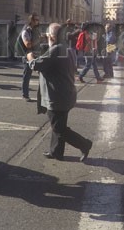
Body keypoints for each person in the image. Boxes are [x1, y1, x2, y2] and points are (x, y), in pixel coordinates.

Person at [27, 23, 92, 162]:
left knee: (59, 128)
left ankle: (84, 144)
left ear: (52, 36)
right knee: (59, 125)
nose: (47, 38)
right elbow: (51, 64)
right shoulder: (65, 47)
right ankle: (56, 151)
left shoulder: (56, 49)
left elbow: (37, 65)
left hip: (57, 97)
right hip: (65, 94)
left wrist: (30, 58)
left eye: (48, 35)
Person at [20, 13, 41, 101]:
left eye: (38, 20)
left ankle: (42, 96)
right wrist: (39, 39)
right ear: (31, 21)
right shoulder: (26, 31)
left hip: (37, 55)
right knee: (27, 76)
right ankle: (25, 95)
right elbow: (27, 44)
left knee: (43, 75)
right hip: (28, 56)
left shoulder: (35, 30)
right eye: (36, 20)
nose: (37, 22)